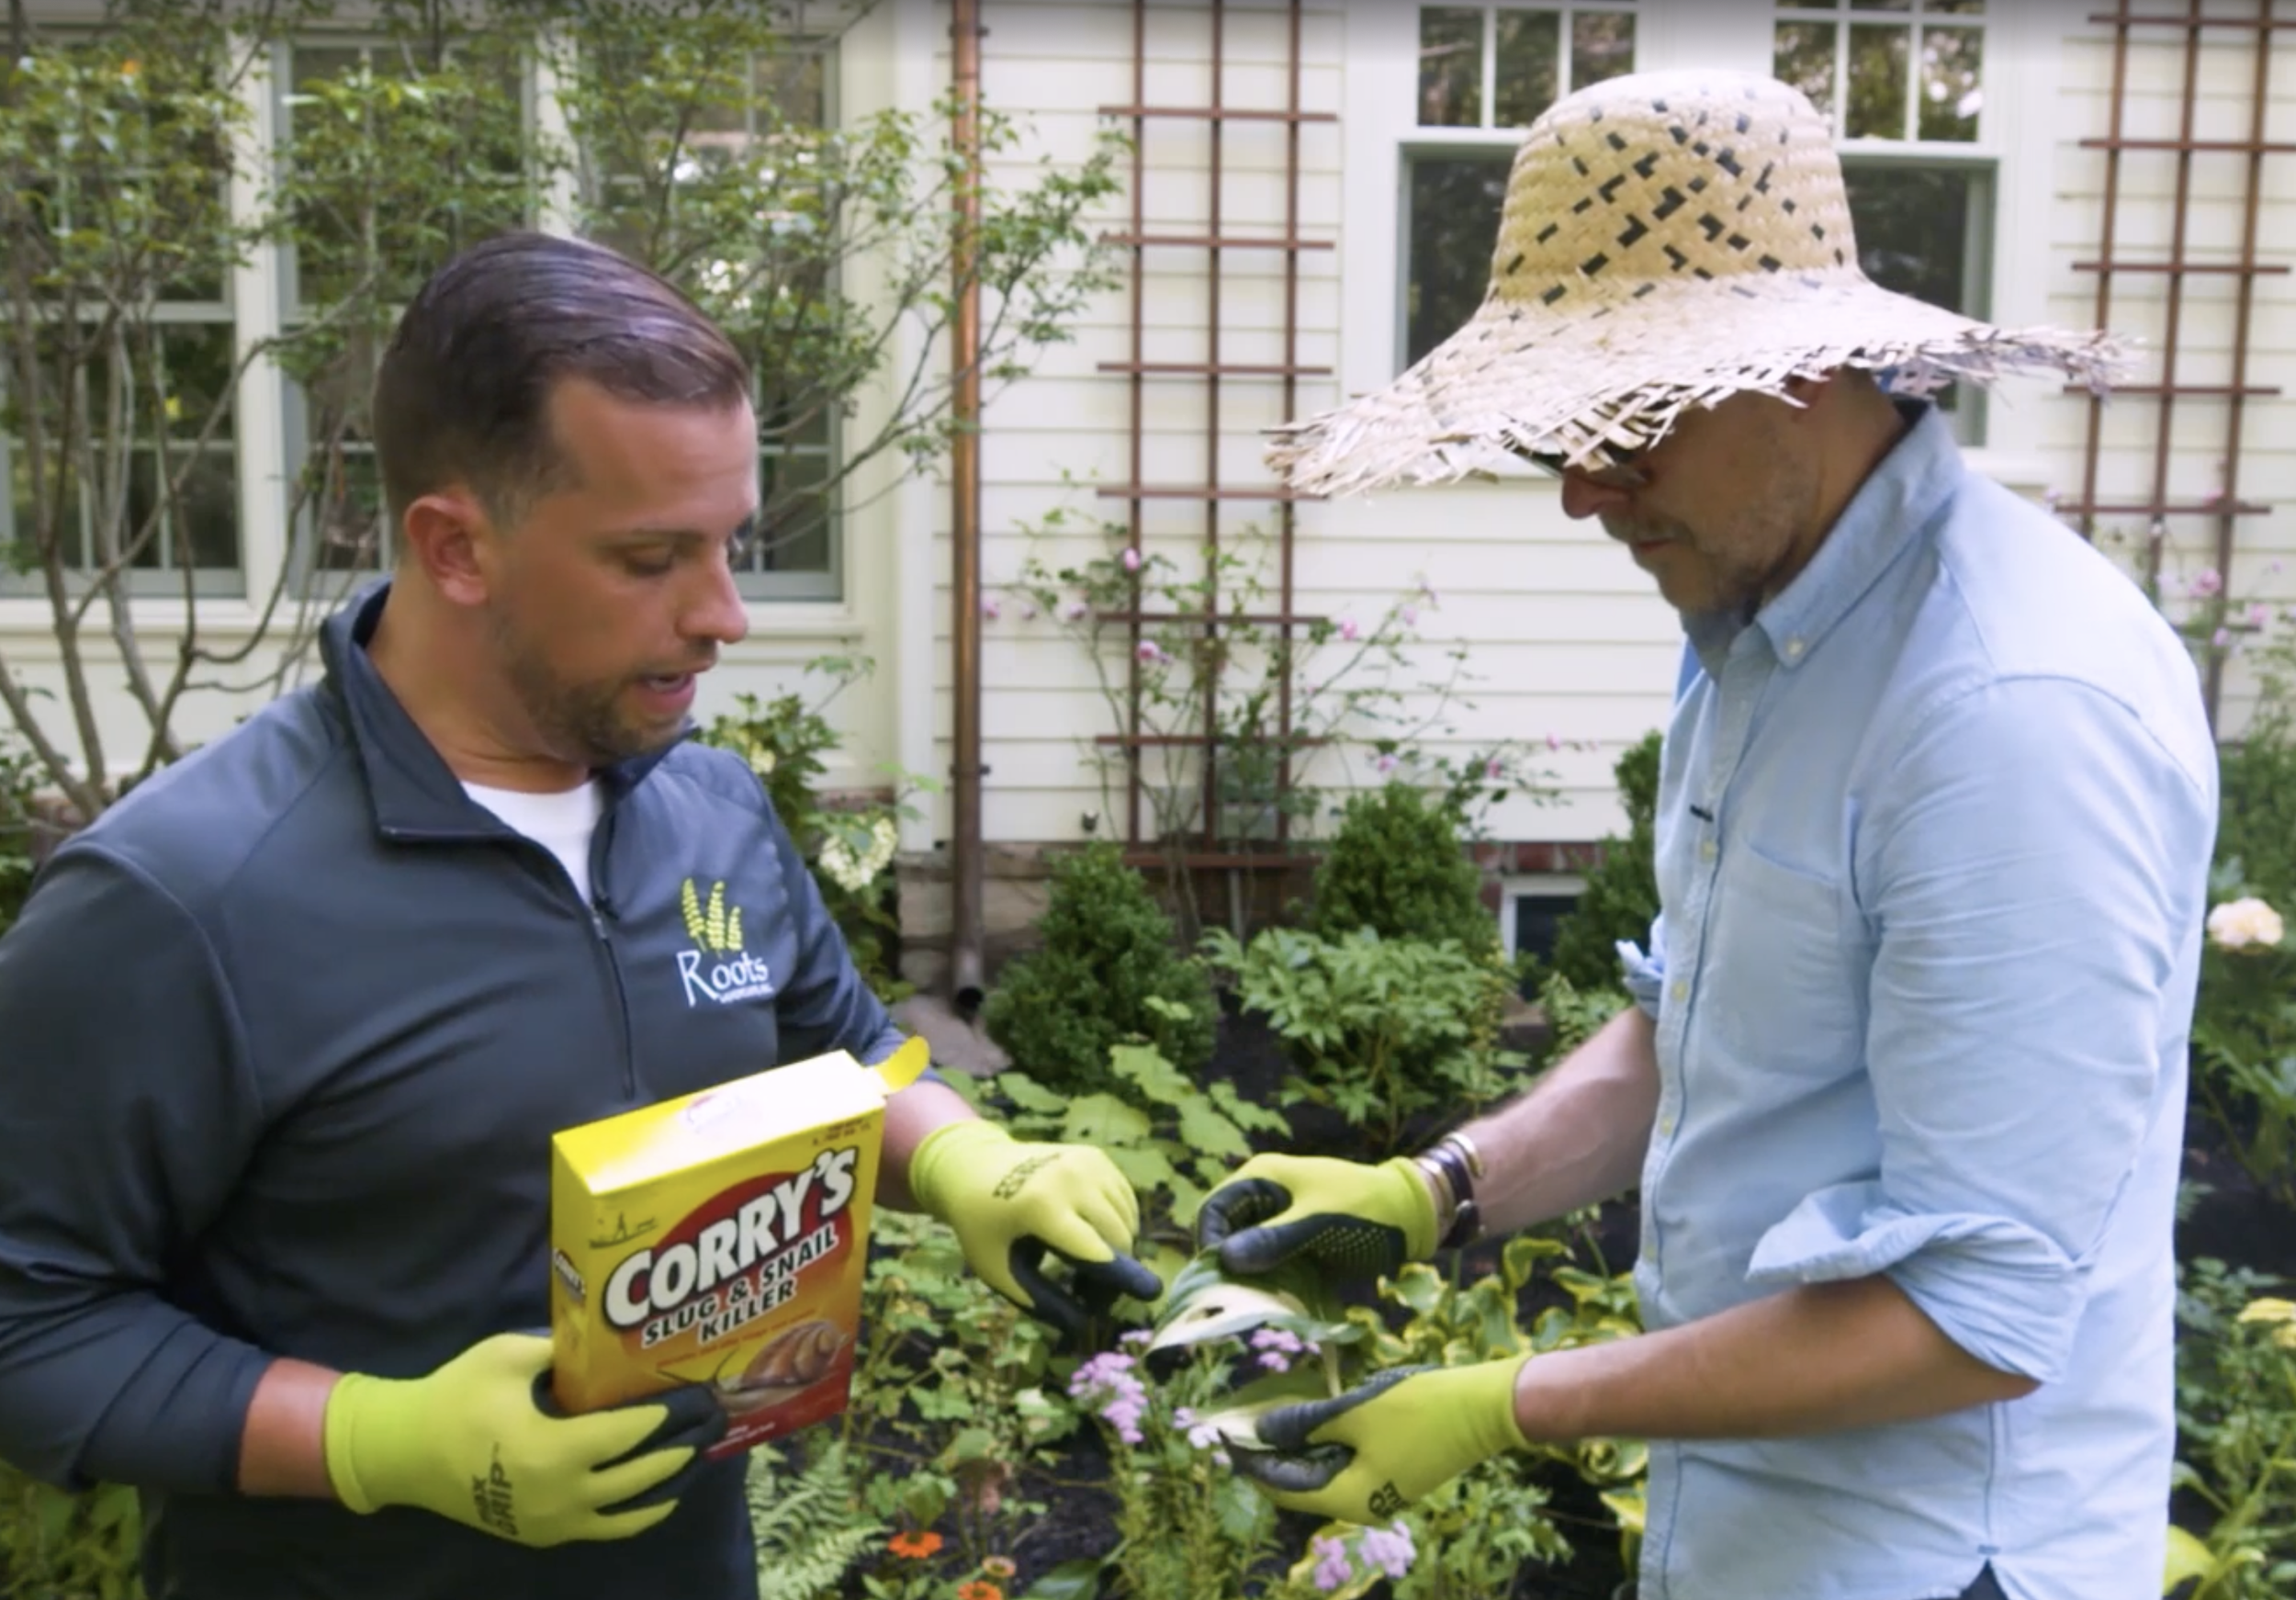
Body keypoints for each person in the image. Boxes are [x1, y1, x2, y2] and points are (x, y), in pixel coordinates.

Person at [0, 230, 1159, 1600]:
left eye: (733, 541)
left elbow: (838, 1059)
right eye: (651, 556)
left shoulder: (713, 809)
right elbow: (32, 1322)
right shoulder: (181, 899)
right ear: (456, 545)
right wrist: (380, 1439)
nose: (726, 613)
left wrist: (974, 1162)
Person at [1197, 69, 2217, 1600]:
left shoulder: (2010, 712)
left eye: (1622, 428)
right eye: (1556, 439)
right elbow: (1705, 1026)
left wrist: (1500, 1403)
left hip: (1941, 1562)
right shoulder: (1765, 621)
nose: (1583, 492)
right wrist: (1438, 1191)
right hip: (1761, 1529)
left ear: (1801, 369)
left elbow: (1974, 1319)